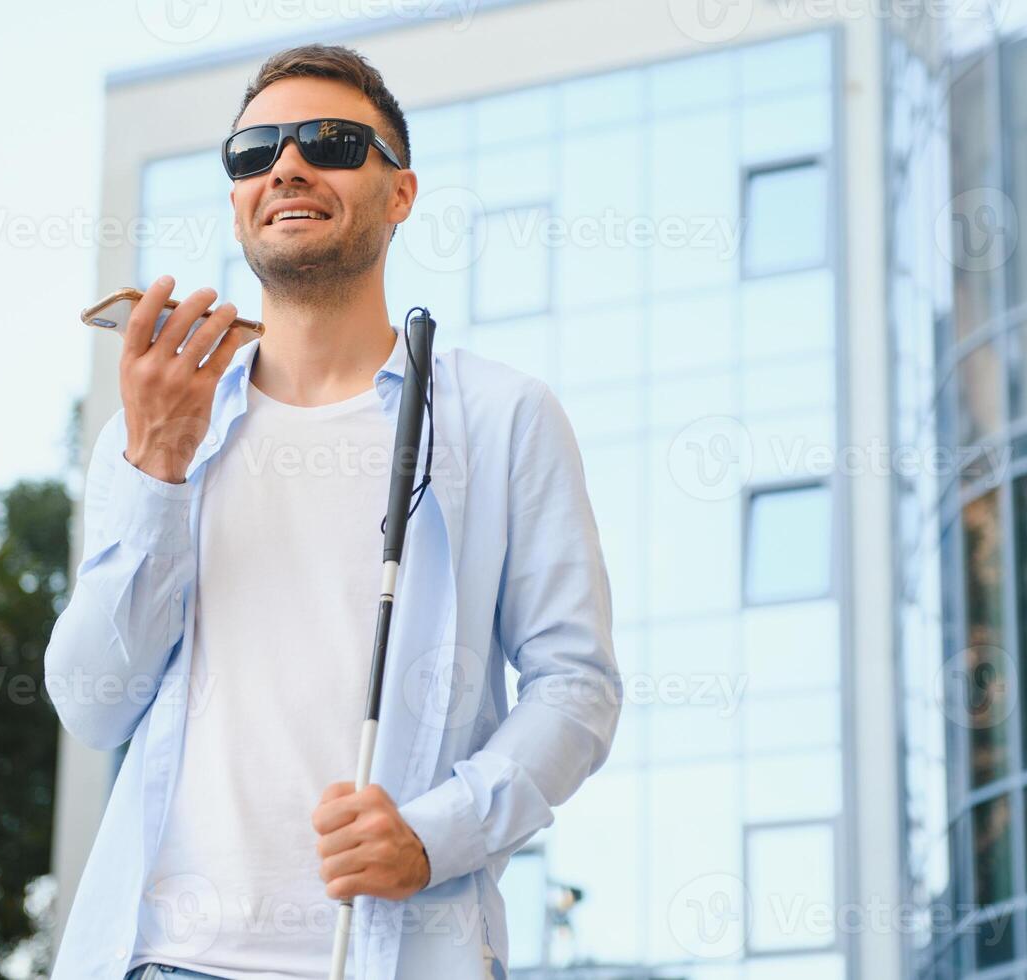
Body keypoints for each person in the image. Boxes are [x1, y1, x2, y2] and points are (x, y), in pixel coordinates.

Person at [44, 43, 622, 980]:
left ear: (400, 194)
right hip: (161, 959)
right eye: (254, 151)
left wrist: (433, 837)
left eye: (332, 142)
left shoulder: (501, 415)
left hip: (393, 955)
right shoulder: (152, 425)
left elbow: (576, 685)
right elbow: (91, 704)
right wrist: (155, 467)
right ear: (236, 198)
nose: (286, 166)